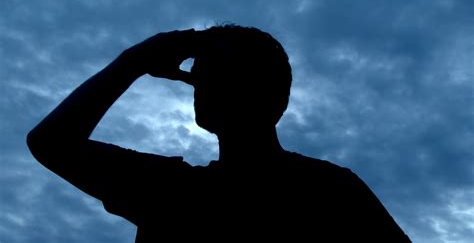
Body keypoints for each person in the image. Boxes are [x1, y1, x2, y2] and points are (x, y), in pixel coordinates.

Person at [27, 25, 411, 242]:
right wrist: (133, 61)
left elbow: (52, 143)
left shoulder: (332, 192)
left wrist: (135, 61)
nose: (198, 82)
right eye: (201, 73)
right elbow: (50, 143)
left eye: (217, 72)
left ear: (267, 91)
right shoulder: (170, 190)